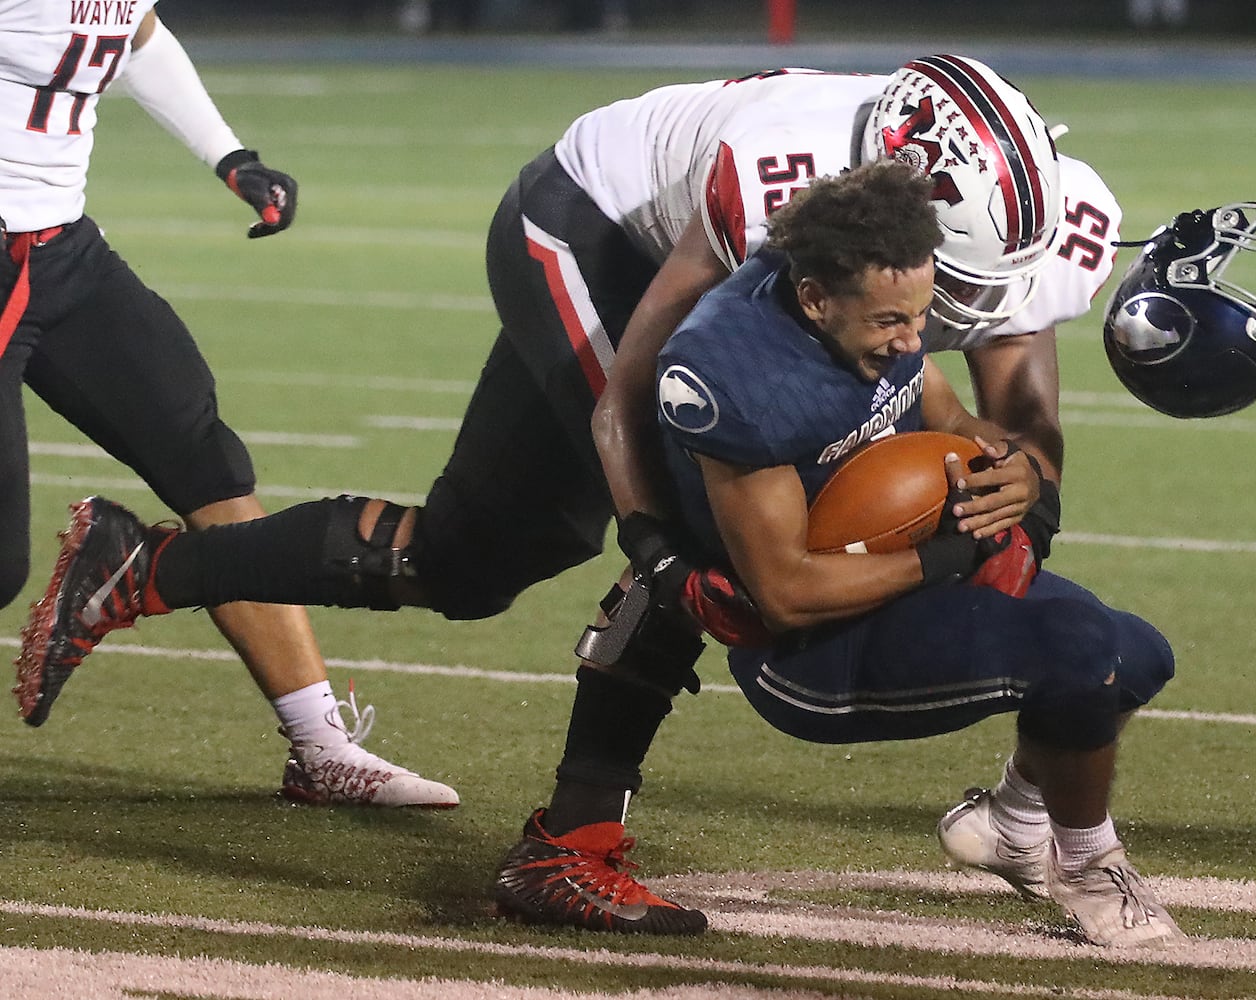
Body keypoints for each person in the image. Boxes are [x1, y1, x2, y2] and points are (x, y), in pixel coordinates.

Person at [18, 56, 1115, 922]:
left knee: (472, 560)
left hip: (745, 267)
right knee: (710, 535)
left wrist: (1022, 487)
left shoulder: (1042, 224)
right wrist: (652, 537)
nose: (971, 311)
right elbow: (633, 388)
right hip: (596, 229)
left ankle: (148, 563)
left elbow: (1024, 436)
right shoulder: (781, 181)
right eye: (950, 282)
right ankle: (568, 845)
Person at [639, 160, 1182, 947]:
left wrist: (1013, 472)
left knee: (1138, 657)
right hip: (812, 655)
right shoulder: (737, 373)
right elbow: (785, 591)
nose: (910, 337)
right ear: (815, 298)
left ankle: (1016, 824)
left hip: (904, 588)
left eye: (920, 316)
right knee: (1079, 651)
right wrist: (945, 561)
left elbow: (945, 408)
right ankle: (1087, 866)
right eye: (891, 322)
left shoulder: (865, 301)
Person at [1, 5, 456, 807]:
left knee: (208, 464)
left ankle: (321, 747)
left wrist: (229, 156)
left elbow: (135, 32)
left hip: (62, 251)